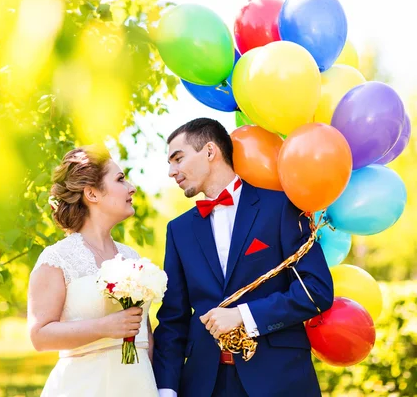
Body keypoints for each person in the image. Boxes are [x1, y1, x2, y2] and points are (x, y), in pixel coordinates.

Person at [153, 118, 334, 397]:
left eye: (178, 158)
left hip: (280, 381)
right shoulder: (178, 230)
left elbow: (316, 291)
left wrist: (244, 315)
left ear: (210, 152)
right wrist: (166, 389)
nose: (171, 171)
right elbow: (172, 319)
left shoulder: (282, 207)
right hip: (204, 386)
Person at [27, 145, 159, 397]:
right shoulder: (57, 259)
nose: (131, 187)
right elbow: (39, 336)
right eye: (120, 179)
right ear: (92, 193)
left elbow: (145, 332)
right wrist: (105, 327)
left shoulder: (131, 256)